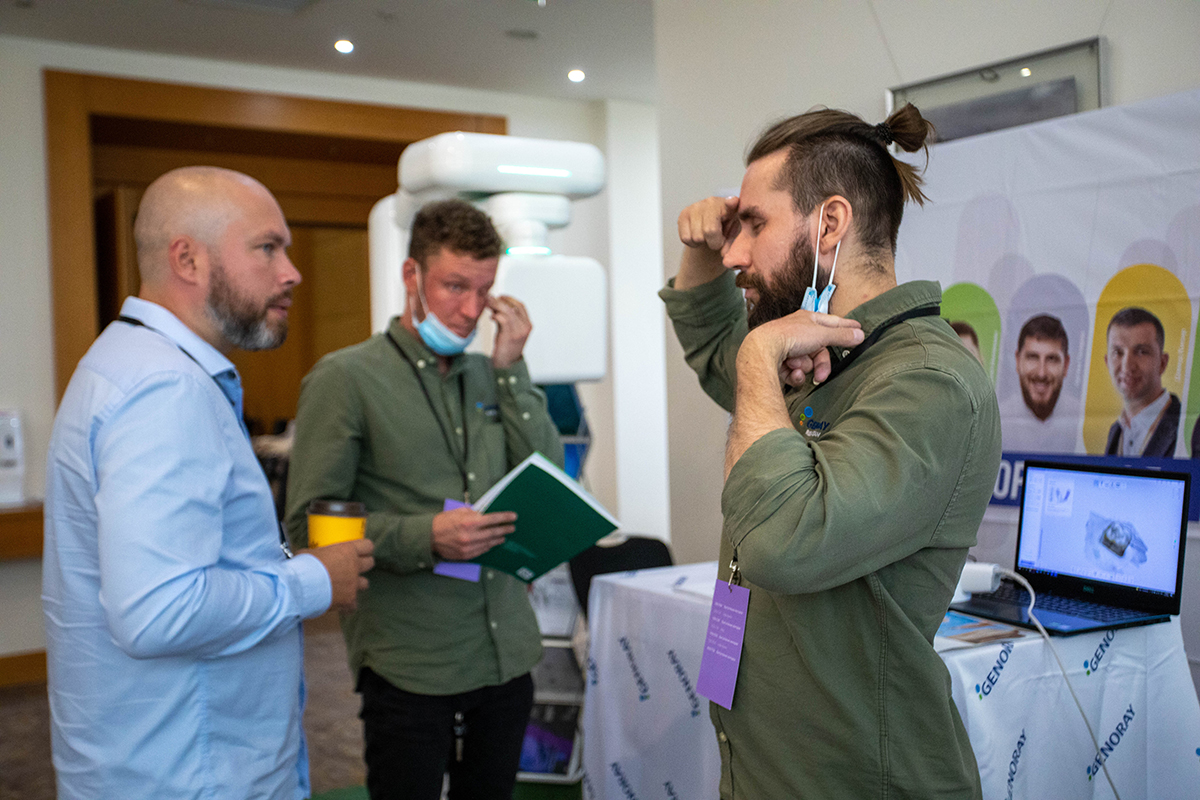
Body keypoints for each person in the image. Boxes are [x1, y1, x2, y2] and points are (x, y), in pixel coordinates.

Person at [660, 105, 1000, 799]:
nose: (734, 254)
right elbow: (717, 352)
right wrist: (700, 251)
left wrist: (758, 356)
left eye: (754, 225)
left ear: (830, 223)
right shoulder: (814, 352)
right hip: (766, 770)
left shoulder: (926, 381)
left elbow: (782, 543)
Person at [42, 166, 376, 800]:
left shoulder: (125, 362)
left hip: (155, 757)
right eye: (267, 248)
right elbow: (159, 611)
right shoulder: (166, 389)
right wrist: (312, 581)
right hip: (191, 771)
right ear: (187, 260)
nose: (291, 273)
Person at [285, 199, 564, 800]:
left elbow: (547, 474)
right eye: (454, 287)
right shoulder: (345, 379)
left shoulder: (490, 373)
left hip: (506, 653)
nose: (470, 310)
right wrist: (424, 537)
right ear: (411, 276)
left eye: (483, 290)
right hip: (411, 661)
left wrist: (512, 369)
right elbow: (310, 527)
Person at [1103, 306, 1180, 456]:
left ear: (1162, 363)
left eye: (1141, 352)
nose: (1127, 366)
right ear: (1107, 362)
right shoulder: (1116, 431)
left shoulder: (1188, 428)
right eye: (1118, 352)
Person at [1000, 314, 1078, 453]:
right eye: (1033, 357)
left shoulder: (1083, 421)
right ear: (1018, 361)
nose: (1041, 373)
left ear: (1066, 365)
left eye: (1052, 359)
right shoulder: (996, 422)